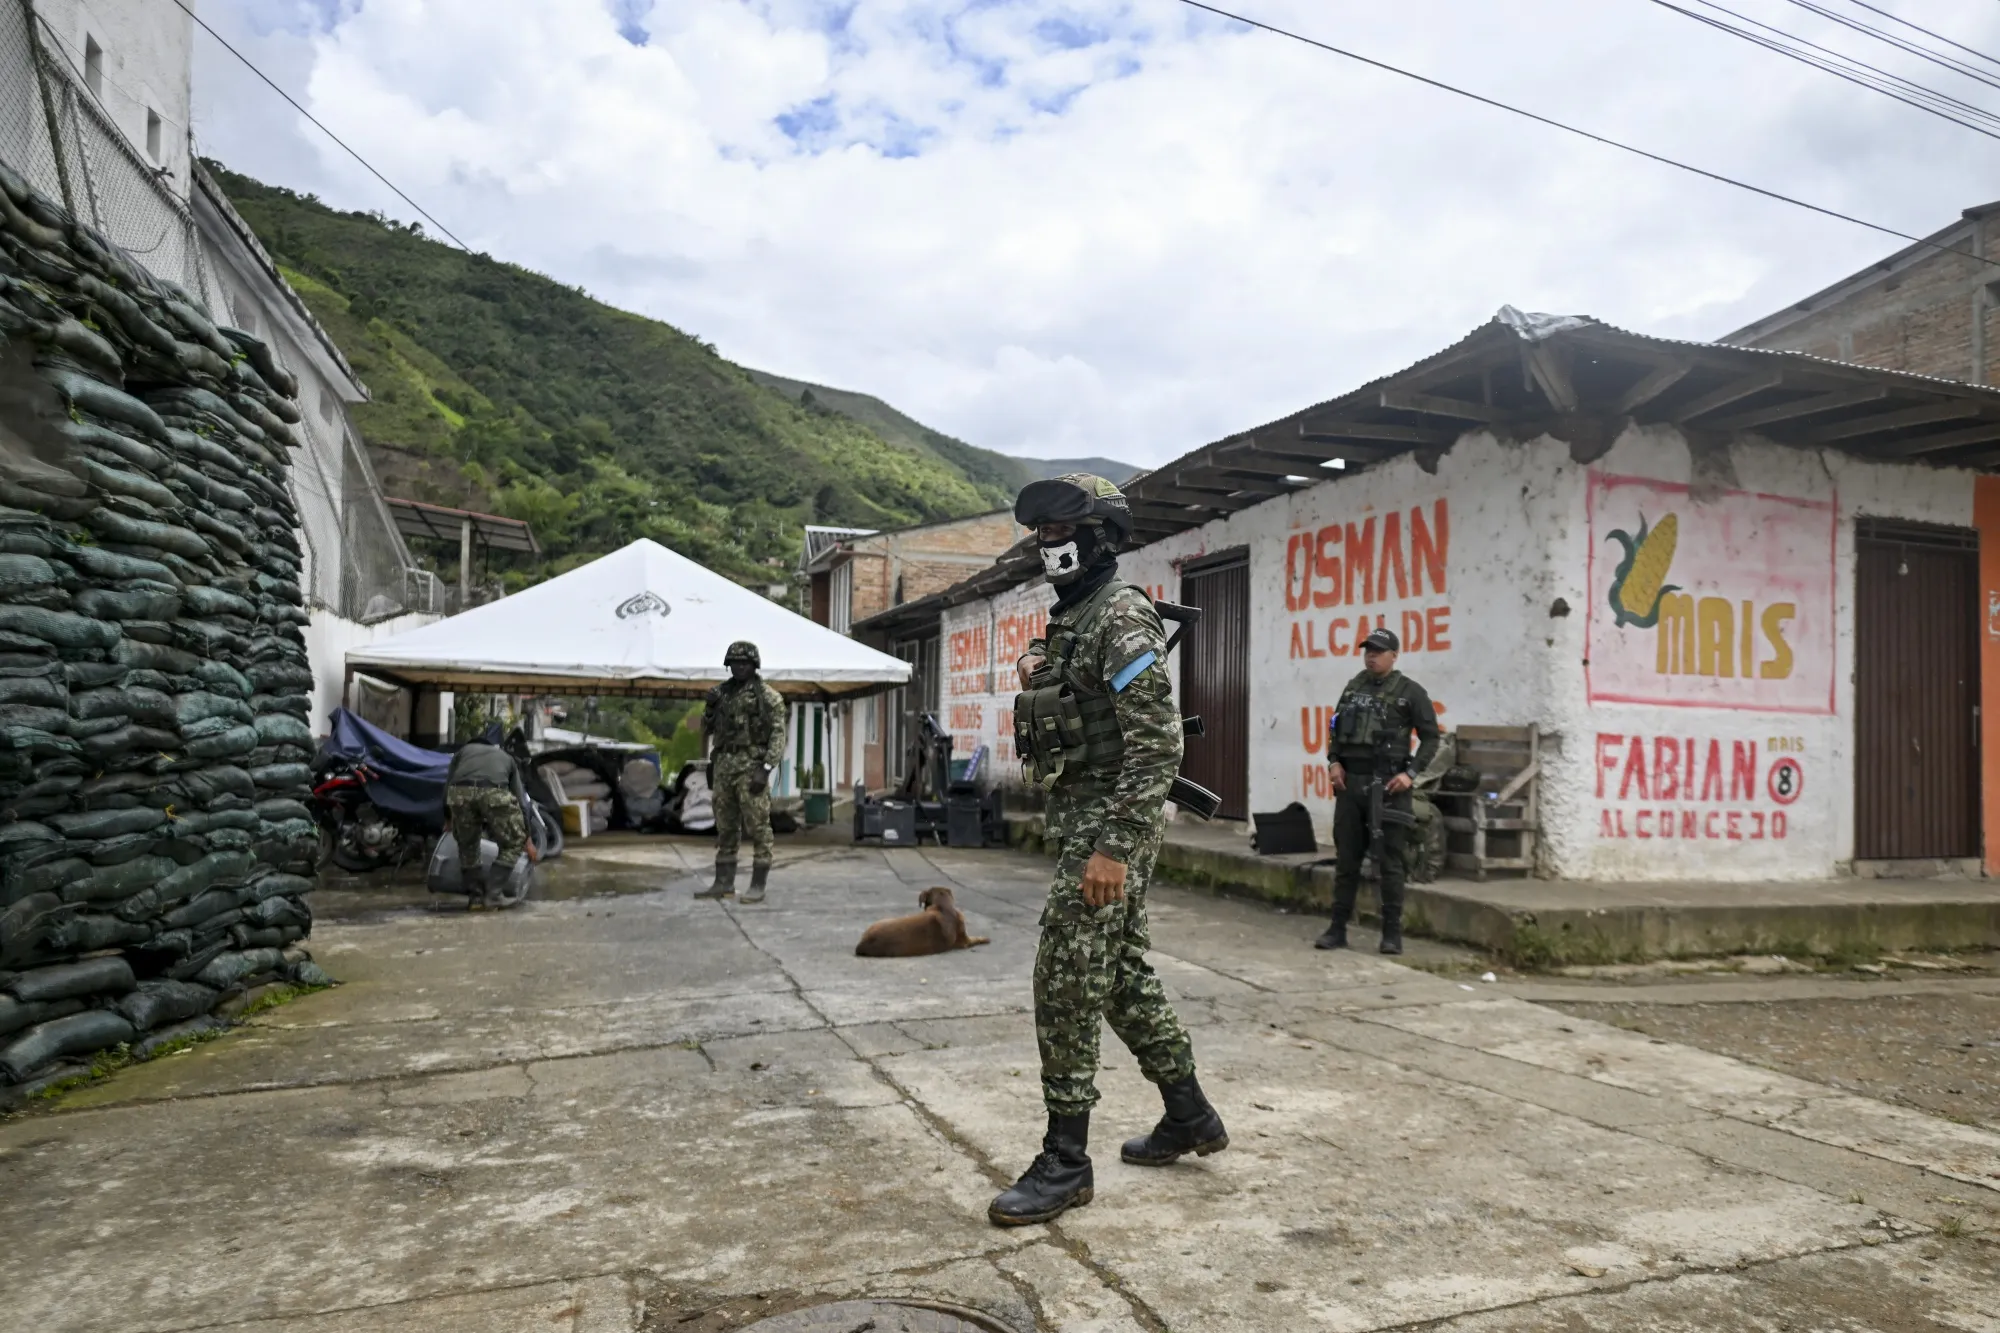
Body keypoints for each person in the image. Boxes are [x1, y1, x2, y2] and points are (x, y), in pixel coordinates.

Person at [988, 473, 1227, 1229]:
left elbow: (1158, 745)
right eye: (1041, 532)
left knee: (1064, 971)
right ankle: (1189, 1113)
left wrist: (1114, 849)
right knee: (1117, 972)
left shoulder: (1120, 617)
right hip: (1084, 817)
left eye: (1061, 530)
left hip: (1108, 827)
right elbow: (1063, 661)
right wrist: (1035, 659)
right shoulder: (1076, 615)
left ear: (1099, 537)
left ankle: (1066, 1159)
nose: (1047, 544)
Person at [1317, 627, 1440, 955]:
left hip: (1388, 786)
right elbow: (1335, 725)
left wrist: (1410, 774)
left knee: (1391, 862)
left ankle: (1391, 933)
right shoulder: (1353, 686)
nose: (1371, 656)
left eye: (1378, 651)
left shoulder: (1410, 692)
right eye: (1368, 650)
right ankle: (1337, 928)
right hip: (1351, 783)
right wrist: (1333, 761)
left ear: (1394, 655)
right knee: (1347, 860)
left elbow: (1431, 737)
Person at [696, 640, 786, 904]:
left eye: (744, 663)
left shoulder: (767, 696)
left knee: (758, 826)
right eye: (734, 663)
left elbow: (778, 735)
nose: (739, 667)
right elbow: (707, 728)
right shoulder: (721, 693)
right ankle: (723, 882)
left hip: (751, 766)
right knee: (725, 825)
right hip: (725, 764)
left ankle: (758, 885)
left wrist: (766, 768)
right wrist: (710, 708)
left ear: (754, 665)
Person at [444, 725, 532, 909]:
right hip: (493, 792)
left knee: (468, 846)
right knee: (513, 842)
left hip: (460, 794)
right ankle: (493, 895)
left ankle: (476, 898)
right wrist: (527, 837)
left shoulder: (462, 752)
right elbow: (521, 799)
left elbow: (446, 788)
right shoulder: (506, 758)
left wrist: (447, 819)